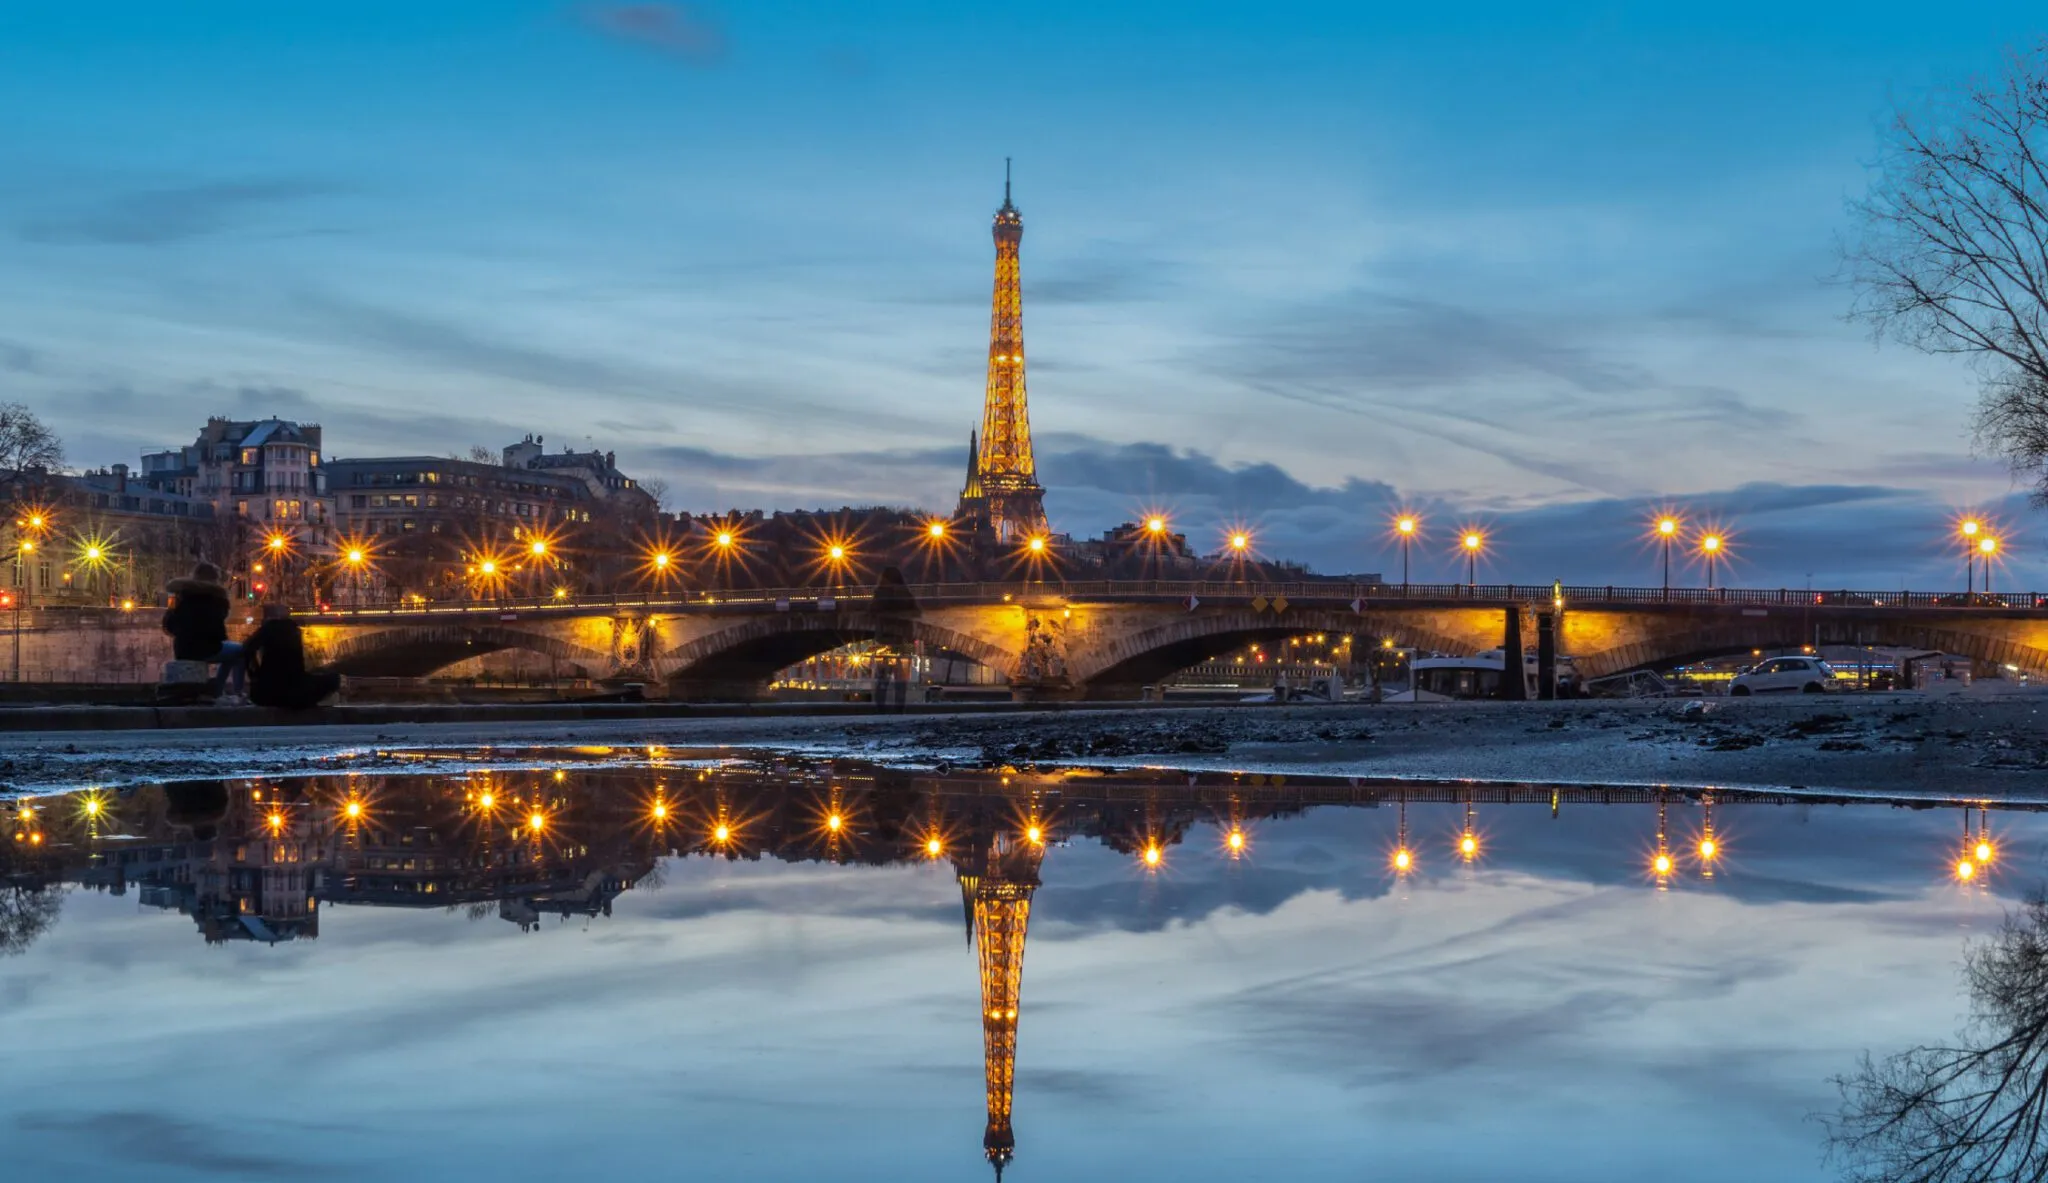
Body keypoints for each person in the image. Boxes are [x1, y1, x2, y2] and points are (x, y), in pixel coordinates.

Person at [162, 562, 244, 699]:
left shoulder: (181, 597)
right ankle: (235, 692)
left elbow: (169, 625)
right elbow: (217, 628)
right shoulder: (217, 599)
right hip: (206, 649)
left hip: (182, 649)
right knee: (241, 651)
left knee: (233, 653)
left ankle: (218, 690)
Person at [243, 603, 341, 710]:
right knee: (333, 678)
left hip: (265, 694)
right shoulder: (294, 630)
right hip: (294, 692)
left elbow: (247, 648)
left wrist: (255, 674)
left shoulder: (267, 629)